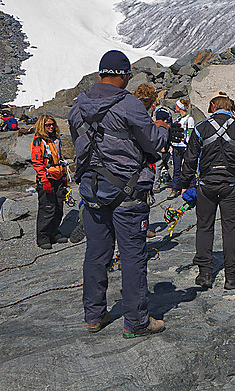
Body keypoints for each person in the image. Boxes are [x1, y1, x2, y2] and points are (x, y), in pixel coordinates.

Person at [69, 50, 167, 337]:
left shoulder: (79, 105)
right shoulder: (129, 104)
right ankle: (136, 321)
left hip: (92, 191)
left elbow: (79, 143)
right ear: (124, 75)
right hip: (127, 192)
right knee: (133, 256)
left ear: (102, 73)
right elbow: (152, 142)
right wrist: (162, 128)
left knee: (96, 254)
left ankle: (94, 316)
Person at [179, 94, 235, 291]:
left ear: (213, 106)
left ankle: (205, 274)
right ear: (231, 106)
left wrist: (183, 183)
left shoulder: (201, 128)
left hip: (206, 184)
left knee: (204, 227)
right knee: (230, 228)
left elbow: (190, 158)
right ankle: (231, 276)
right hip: (230, 186)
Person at [31, 115, 68, 249]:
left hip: (58, 177)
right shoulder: (38, 141)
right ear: (42, 126)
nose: (51, 127)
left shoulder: (56, 140)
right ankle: (43, 237)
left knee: (58, 207)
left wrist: (64, 177)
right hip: (47, 178)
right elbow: (37, 162)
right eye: (48, 125)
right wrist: (44, 179)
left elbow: (60, 158)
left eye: (52, 124)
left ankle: (54, 232)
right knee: (47, 209)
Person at [167, 99, 196, 199]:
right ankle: (175, 189)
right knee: (176, 169)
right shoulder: (178, 118)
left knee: (188, 167)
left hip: (185, 147)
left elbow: (191, 134)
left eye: (176, 105)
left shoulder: (189, 119)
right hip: (176, 146)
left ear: (180, 107)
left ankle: (192, 187)